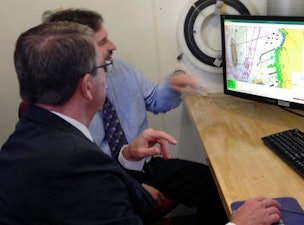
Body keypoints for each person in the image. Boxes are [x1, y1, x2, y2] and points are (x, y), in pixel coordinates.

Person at [0, 20, 282, 225]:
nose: (109, 68)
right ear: (87, 86)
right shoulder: (82, 168)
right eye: (102, 67)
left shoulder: (22, 140)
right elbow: (96, 183)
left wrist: (126, 156)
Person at [43, 8, 226, 224]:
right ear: (78, 52)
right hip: (102, 179)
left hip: (141, 162)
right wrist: (132, 189)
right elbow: (84, 178)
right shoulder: (64, 100)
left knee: (214, 186)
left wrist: (173, 86)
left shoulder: (121, 69)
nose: (113, 46)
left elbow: (155, 100)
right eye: (102, 42)